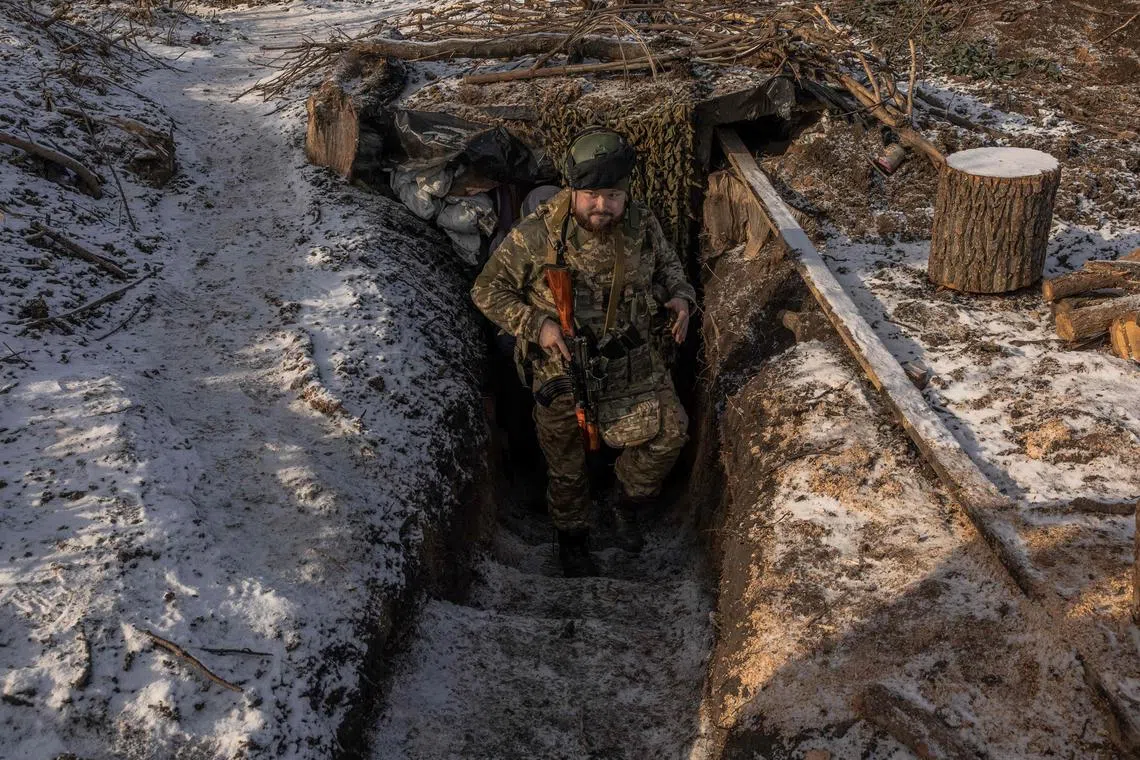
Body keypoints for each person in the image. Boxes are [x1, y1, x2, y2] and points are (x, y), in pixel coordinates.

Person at [470, 128, 696, 577]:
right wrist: (539, 325)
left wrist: (681, 297)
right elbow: (486, 290)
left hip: (633, 360)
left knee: (672, 431)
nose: (602, 206)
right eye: (592, 195)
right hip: (564, 366)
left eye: (612, 195)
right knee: (567, 462)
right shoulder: (538, 235)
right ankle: (572, 538)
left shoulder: (639, 221)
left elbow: (670, 265)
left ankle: (624, 503)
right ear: (573, 190)